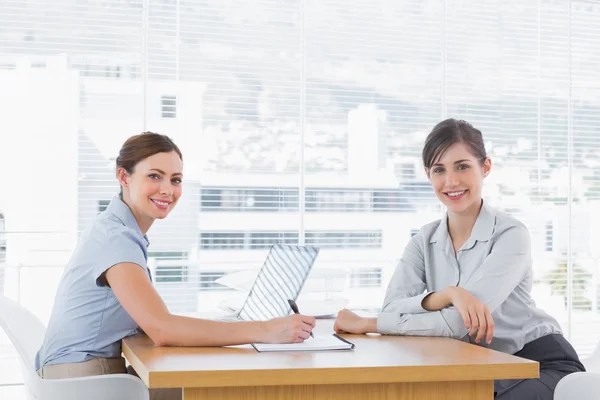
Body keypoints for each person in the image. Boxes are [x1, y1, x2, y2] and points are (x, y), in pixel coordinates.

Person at [35, 132, 315, 400]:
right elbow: (162, 329)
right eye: (154, 176)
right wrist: (266, 330)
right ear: (124, 176)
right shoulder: (116, 238)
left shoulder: (119, 229)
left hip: (84, 375)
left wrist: (222, 328)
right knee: (232, 390)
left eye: (176, 179)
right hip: (85, 383)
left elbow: (153, 322)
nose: (167, 190)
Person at [333, 119, 585, 399]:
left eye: (462, 166)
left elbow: (458, 325)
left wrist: (369, 323)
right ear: (428, 175)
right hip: (480, 366)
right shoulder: (423, 241)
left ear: (485, 167)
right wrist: (448, 295)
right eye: (439, 170)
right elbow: (392, 308)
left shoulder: (511, 235)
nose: (451, 181)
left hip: (538, 363)